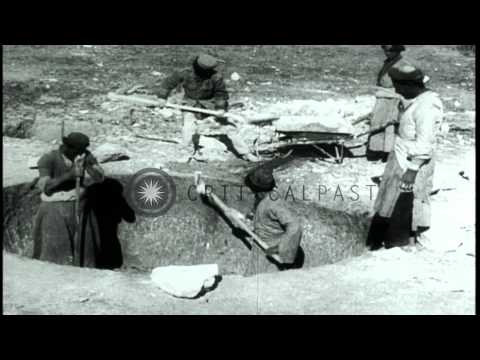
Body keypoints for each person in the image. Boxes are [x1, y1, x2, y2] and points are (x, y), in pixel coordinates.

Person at [367, 64, 443, 250]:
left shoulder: (427, 108)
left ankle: (402, 243)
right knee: (393, 199)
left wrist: (412, 170)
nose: (398, 91)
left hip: (412, 162)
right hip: (402, 156)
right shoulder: (418, 99)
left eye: (400, 87)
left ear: (411, 85)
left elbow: (425, 144)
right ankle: (392, 238)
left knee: (405, 202)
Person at [153, 53, 259, 162]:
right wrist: (161, 98)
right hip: (190, 105)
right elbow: (168, 83)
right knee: (188, 128)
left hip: (210, 106)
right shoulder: (185, 73)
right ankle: (185, 153)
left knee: (230, 128)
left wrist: (220, 108)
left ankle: (245, 153)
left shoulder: (216, 77)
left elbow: (221, 93)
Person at [33, 132, 105, 267]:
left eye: (83, 150)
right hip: (54, 209)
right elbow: (45, 187)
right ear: (68, 147)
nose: (81, 153)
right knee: (56, 253)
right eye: (78, 150)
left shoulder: (84, 155)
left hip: (79, 206)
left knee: (86, 249)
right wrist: (69, 175)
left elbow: (100, 178)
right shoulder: (49, 158)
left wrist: (88, 166)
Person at [243, 167, 303, 276]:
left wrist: (280, 248)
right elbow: (263, 215)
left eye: (251, 188)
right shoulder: (263, 198)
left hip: (271, 253)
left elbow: (295, 226)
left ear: (256, 189)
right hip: (260, 248)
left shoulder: (274, 203)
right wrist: (248, 218)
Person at [368, 45, 411, 162]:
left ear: (397, 51)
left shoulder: (402, 64)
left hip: (393, 99)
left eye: (389, 51)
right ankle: (376, 150)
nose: (386, 53)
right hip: (382, 98)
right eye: (385, 51)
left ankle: (387, 153)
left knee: (389, 126)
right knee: (377, 123)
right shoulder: (388, 62)